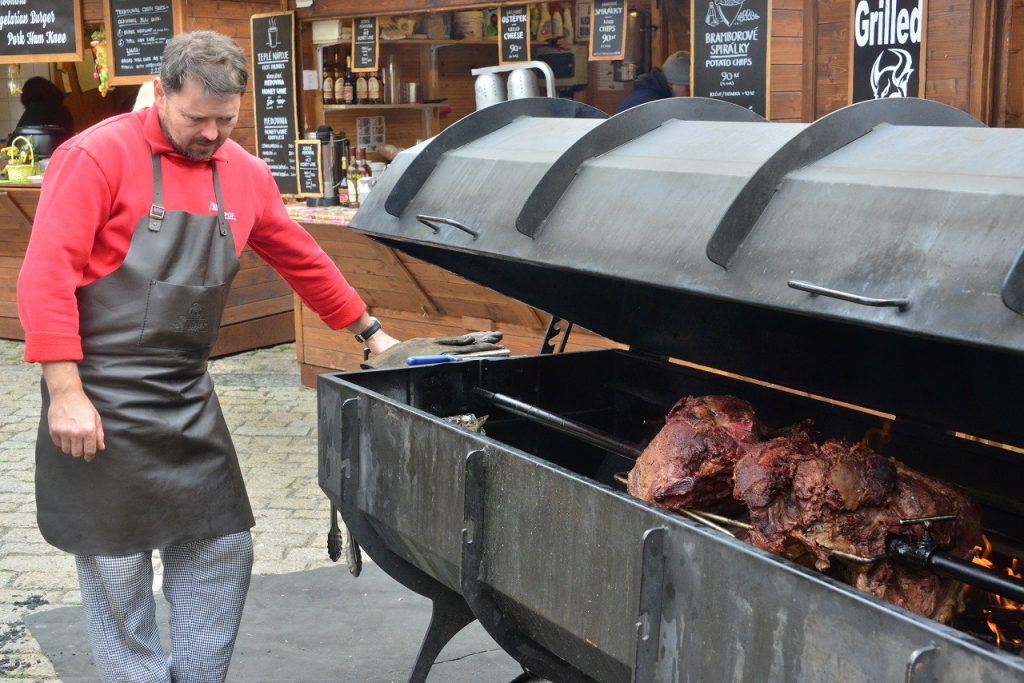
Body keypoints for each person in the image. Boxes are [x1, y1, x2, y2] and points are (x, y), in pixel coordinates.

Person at [16, 31, 398, 683]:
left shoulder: (242, 173)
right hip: (98, 392)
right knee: (117, 561)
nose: (212, 134)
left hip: (184, 395)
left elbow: (299, 255)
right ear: (160, 93)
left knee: (223, 546)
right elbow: (45, 274)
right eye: (198, 118)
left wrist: (371, 331)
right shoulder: (95, 157)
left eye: (226, 120)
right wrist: (64, 391)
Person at [615, 50, 691, 113]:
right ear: (671, 84)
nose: (691, 94)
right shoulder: (652, 104)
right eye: (688, 88)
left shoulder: (649, 94)